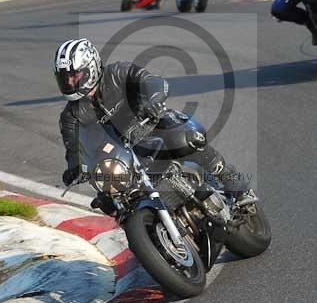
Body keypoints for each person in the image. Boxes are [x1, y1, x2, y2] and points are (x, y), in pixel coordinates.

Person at [54, 38, 248, 214]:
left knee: (185, 139)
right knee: (108, 201)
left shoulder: (117, 73)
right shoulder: (70, 116)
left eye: (74, 76)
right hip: (122, 158)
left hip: (151, 126)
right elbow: (74, 150)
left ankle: (233, 182)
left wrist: (154, 100)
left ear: (91, 68)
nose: (70, 82)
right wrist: (74, 169)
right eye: (65, 78)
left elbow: (152, 81)